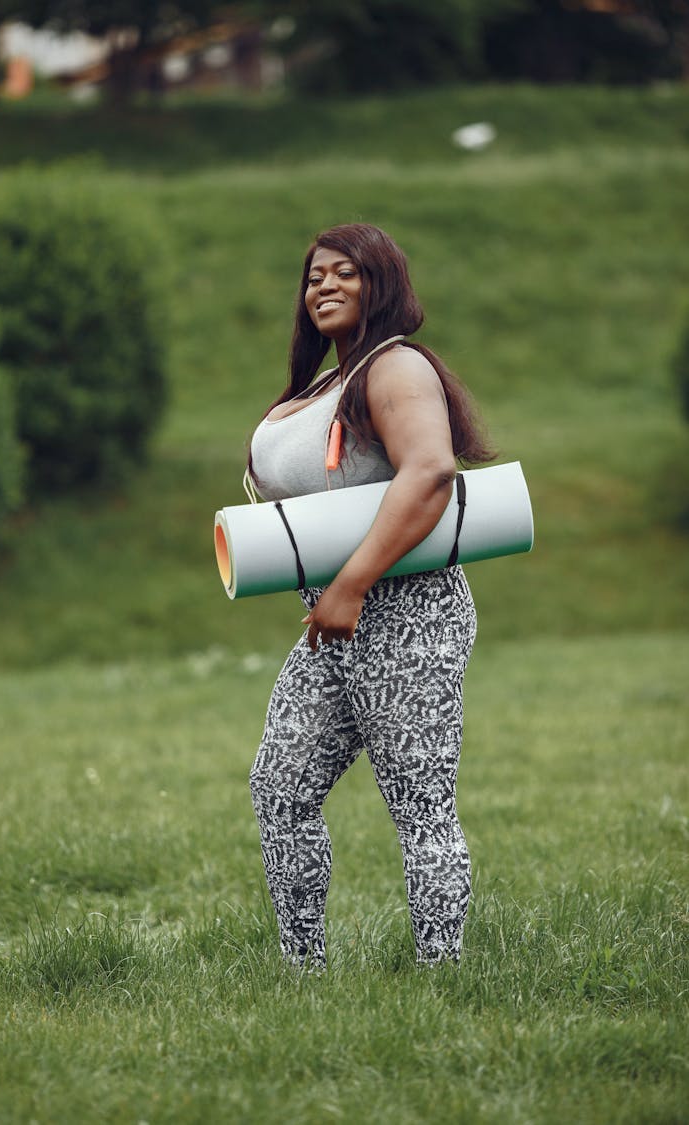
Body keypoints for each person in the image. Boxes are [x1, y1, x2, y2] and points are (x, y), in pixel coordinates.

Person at [247, 223, 495, 970]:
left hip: (408, 614)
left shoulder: (395, 367)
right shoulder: (330, 379)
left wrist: (352, 583)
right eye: (313, 275)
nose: (321, 285)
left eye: (343, 272)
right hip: (334, 618)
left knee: (419, 805)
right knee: (279, 785)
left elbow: (429, 471)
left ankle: (441, 976)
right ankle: (303, 973)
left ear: (379, 281)